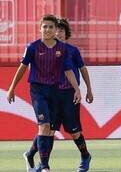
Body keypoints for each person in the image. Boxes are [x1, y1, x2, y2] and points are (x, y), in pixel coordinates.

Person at [7, 14, 81, 172]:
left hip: (55, 91)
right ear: (40, 28)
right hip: (38, 91)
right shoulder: (32, 47)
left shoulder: (62, 49)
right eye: (45, 26)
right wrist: (12, 88)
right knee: (44, 126)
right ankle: (45, 167)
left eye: (51, 27)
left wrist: (77, 89)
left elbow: (68, 70)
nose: (47, 29)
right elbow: (22, 68)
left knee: (49, 129)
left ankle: (30, 155)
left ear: (55, 30)